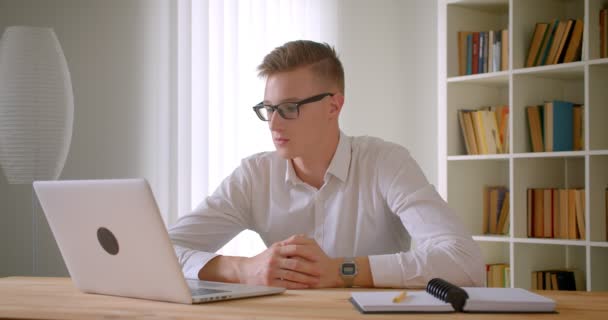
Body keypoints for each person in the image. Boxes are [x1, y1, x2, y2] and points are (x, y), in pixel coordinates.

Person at [169, 40, 484, 289]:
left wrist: (342, 270)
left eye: (290, 108)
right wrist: (243, 268)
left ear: (334, 105)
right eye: (269, 108)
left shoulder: (386, 163)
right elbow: (161, 251)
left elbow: (464, 262)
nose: (274, 124)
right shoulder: (255, 176)